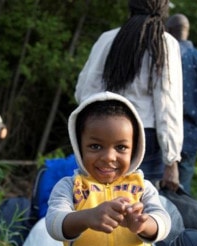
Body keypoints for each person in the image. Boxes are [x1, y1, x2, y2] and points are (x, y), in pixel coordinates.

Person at [46, 91, 171, 246]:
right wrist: (87, 217)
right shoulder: (70, 186)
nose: (109, 157)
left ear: (134, 149)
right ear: (79, 146)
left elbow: (164, 221)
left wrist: (143, 224)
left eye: (121, 147)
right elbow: (54, 222)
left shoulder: (142, 188)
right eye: (95, 146)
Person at [75, 0, 183, 192]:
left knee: (95, 198)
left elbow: (84, 92)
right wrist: (172, 158)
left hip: (99, 131)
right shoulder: (165, 43)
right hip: (143, 137)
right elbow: (167, 104)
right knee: (138, 207)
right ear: (162, 10)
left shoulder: (107, 39)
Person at [166, 13, 197, 194]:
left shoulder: (168, 55)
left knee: (154, 197)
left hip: (166, 134)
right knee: (181, 193)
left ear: (169, 30)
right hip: (193, 134)